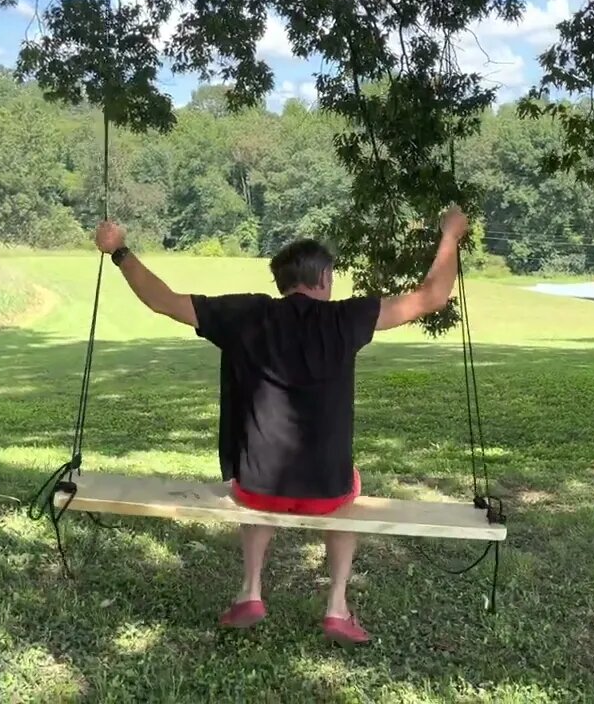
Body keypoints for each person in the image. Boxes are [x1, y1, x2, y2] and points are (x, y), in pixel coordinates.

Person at [94, 207, 470, 645]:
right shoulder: (346, 319)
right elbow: (431, 296)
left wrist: (119, 250)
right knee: (349, 490)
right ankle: (337, 606)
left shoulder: (246, 315)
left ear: (283, 282)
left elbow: (162, 300)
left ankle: (251, 591)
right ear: (325, 277)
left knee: (255, 489)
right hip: (326, 493)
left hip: (258, 487)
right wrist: (451, 235)